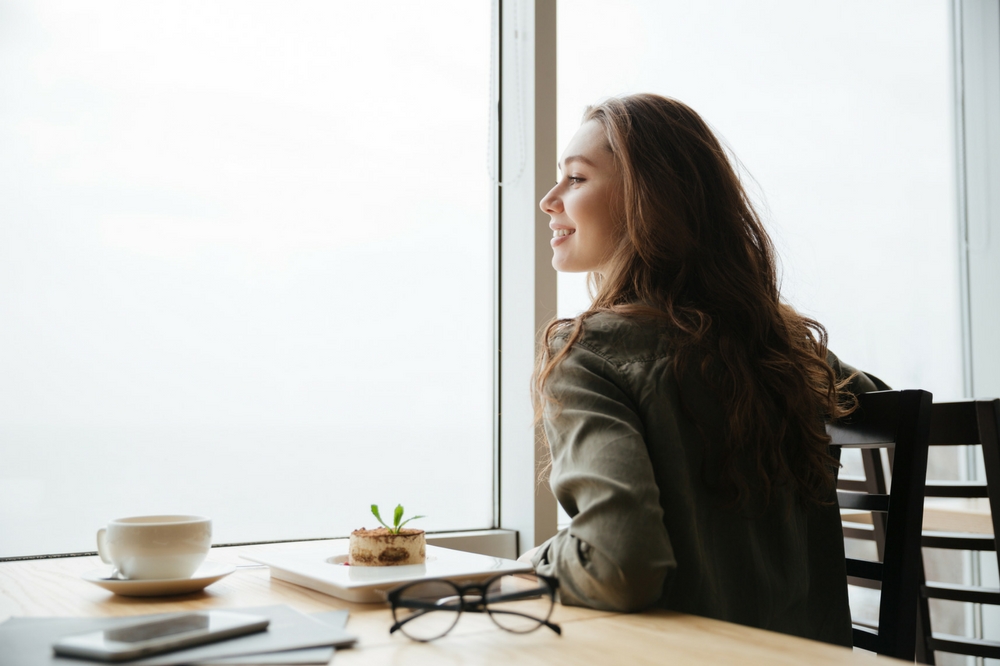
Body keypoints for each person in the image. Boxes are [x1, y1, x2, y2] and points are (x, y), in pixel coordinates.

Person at [527, 93, 883, 647]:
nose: (549, 200)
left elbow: (622, 566)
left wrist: (532, 564)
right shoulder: (780, 351)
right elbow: (881, 401)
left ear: (649, 200)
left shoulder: (587, 355)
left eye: (575, 179)